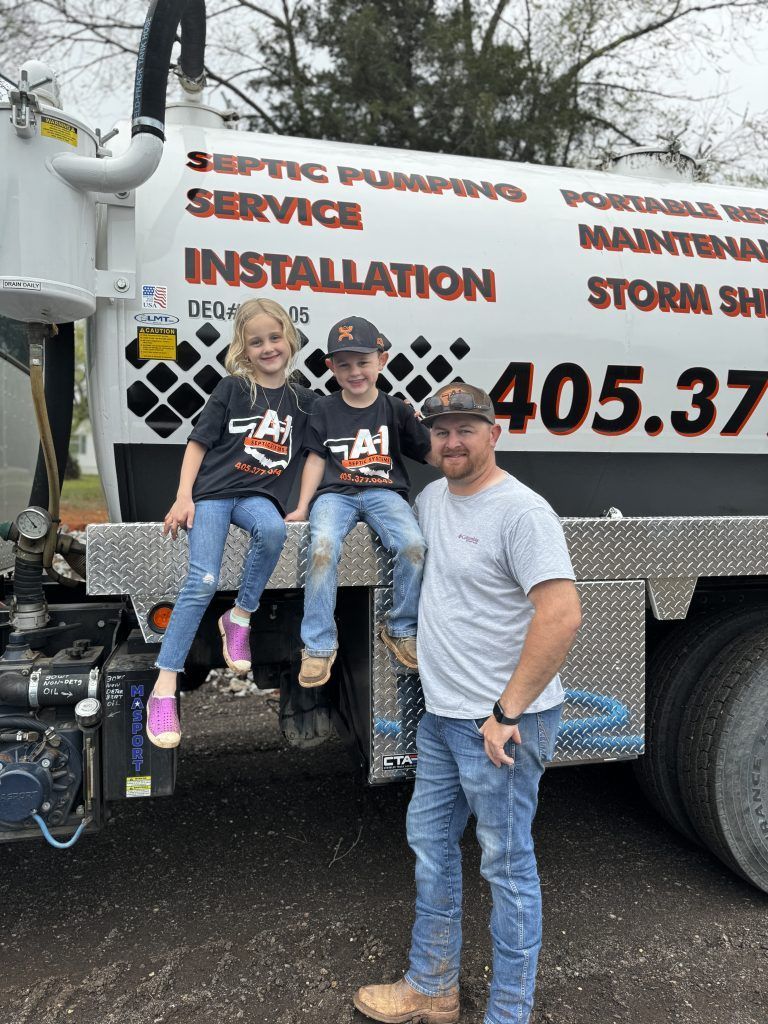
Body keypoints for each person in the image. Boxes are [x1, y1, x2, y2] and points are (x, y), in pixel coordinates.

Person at [354, 383, 582, 1024]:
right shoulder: (429, 499)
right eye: (441, 430)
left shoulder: (521, 513)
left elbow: (561, 615)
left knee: (506, 868)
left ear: (493, 434)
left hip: (500, 727)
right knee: (429, 844)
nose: (451, 441)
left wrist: (506, 713)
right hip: (443, 716)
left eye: (466, 429)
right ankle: (432, 988)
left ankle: (509, 1013)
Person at [146, 298, 316, 750]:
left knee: (275, 530)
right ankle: (164, 688)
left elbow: (349, 419)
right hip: (213, 495)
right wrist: (184, 497)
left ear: (290, 339)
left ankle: (239, 615)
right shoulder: (232, 389)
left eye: (274, 337)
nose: (267, 347)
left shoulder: (304, 401)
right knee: (201, 580)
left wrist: (398, 418)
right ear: (242, 347)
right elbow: (198, 444)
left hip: (257, 497)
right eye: (255, 340)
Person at [286, 316, 432, 688]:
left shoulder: (396, 410)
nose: (355, 371)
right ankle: (317, 647)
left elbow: (432, 452)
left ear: (381, 361)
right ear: (330, 366)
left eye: (363, 362)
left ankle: (400, 627)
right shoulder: (323, 409)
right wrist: (303, 507)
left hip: (385, 493)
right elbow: (316, 458)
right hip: (336, 496)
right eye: (344, 363)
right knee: (321, 547)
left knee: (413, 546)